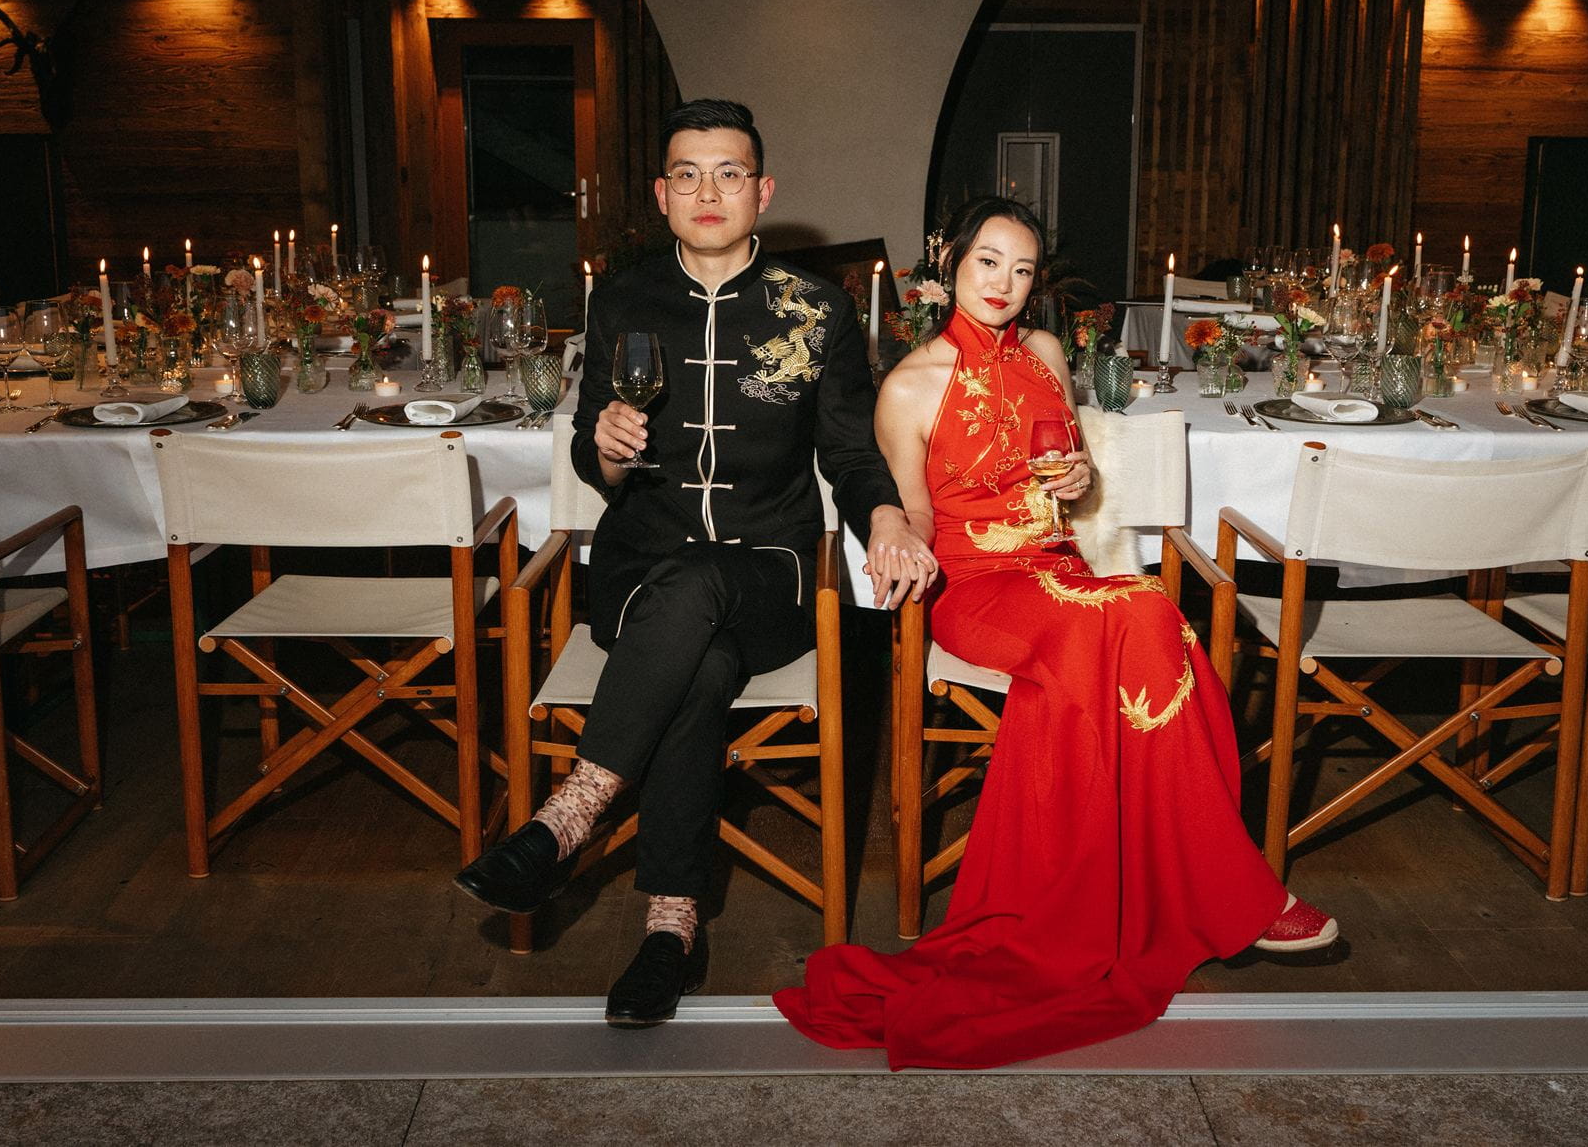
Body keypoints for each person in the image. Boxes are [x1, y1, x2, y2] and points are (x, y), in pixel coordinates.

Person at [774, 196, 1337, 1070]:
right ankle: (1234, 895)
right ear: (951, 263)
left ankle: (1186, 886)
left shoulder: (1043, 352)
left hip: (1059, 568)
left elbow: (1068, 478)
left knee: (1151, 617)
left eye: (1023, 268)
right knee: (1144, 610)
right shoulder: (910, 384)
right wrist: (898, 542)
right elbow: (915, 512)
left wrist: (1077, 476)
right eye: (987, 261)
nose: (1004, 282)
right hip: (975, 586)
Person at [454, 99, 935, 1029]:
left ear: (763, 191)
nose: (707, 190)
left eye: (728, 173)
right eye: (687, 173)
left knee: (706, 581)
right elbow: (593, 458)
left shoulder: (817, 309)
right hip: (641, 573)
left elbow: (849, 450)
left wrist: (883, 514)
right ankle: (669, 928)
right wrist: (606, 447)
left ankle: (570, 813)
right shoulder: (621, 300)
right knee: (698, 660)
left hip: (770, 576)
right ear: (661, 193)